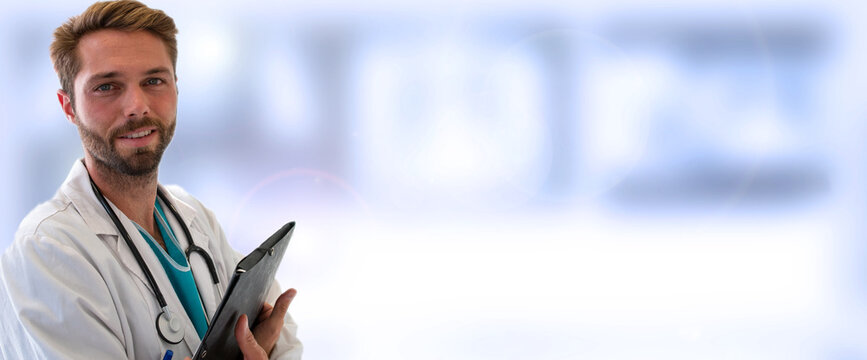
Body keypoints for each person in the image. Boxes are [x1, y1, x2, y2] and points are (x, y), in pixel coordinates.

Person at [0, 1, 302, 359]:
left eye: (154, 81)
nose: (137, 105)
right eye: (107, 87)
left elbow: (285, 343)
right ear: (68, 106)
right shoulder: (49, 250)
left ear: (176, 88)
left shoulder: (192, 217)